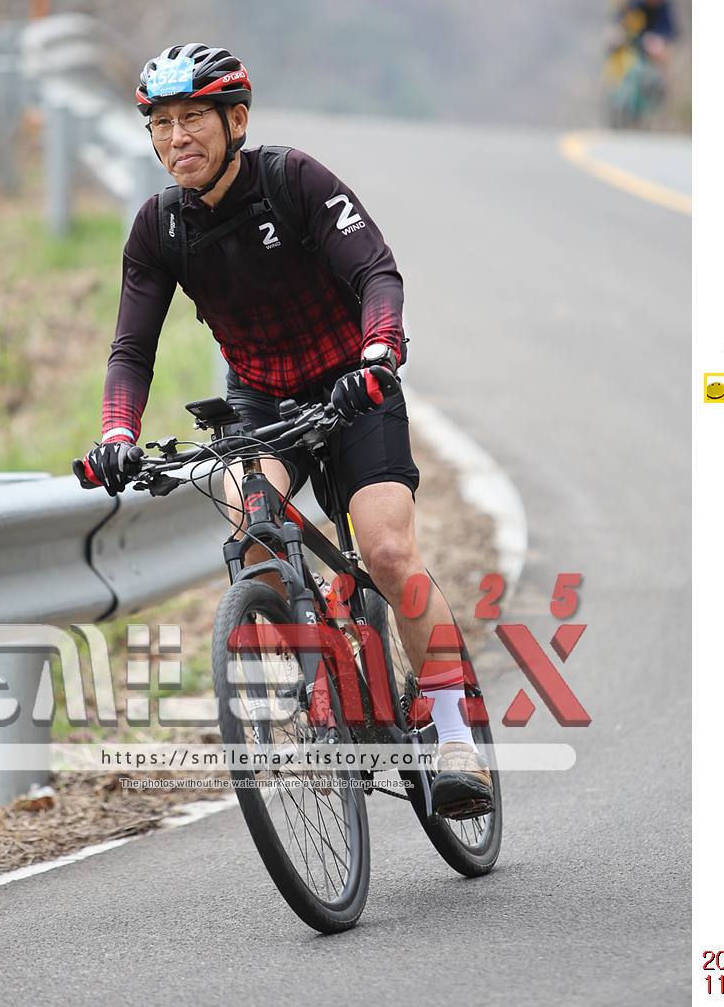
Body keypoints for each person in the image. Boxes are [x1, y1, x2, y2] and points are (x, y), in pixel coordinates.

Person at [75, 42, 492, 818]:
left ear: (236, 120)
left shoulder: (292, 180)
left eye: (193, 118)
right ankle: (322, 672)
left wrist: (379, 354)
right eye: (161, 124)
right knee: (253, 531)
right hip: (263, 404)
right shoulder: (159, 228)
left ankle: (453, 732)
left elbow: (376, 272)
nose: (176, 138)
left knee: (388, 552)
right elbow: (132, 350)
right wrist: (118, 434)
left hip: (353, 388)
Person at [608, 0, 679, 67]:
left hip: (652, 63)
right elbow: (617, 29)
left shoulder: (665, 8)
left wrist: (658, 42)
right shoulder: (632, 5)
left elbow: (670, 32)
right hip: (628, 60)